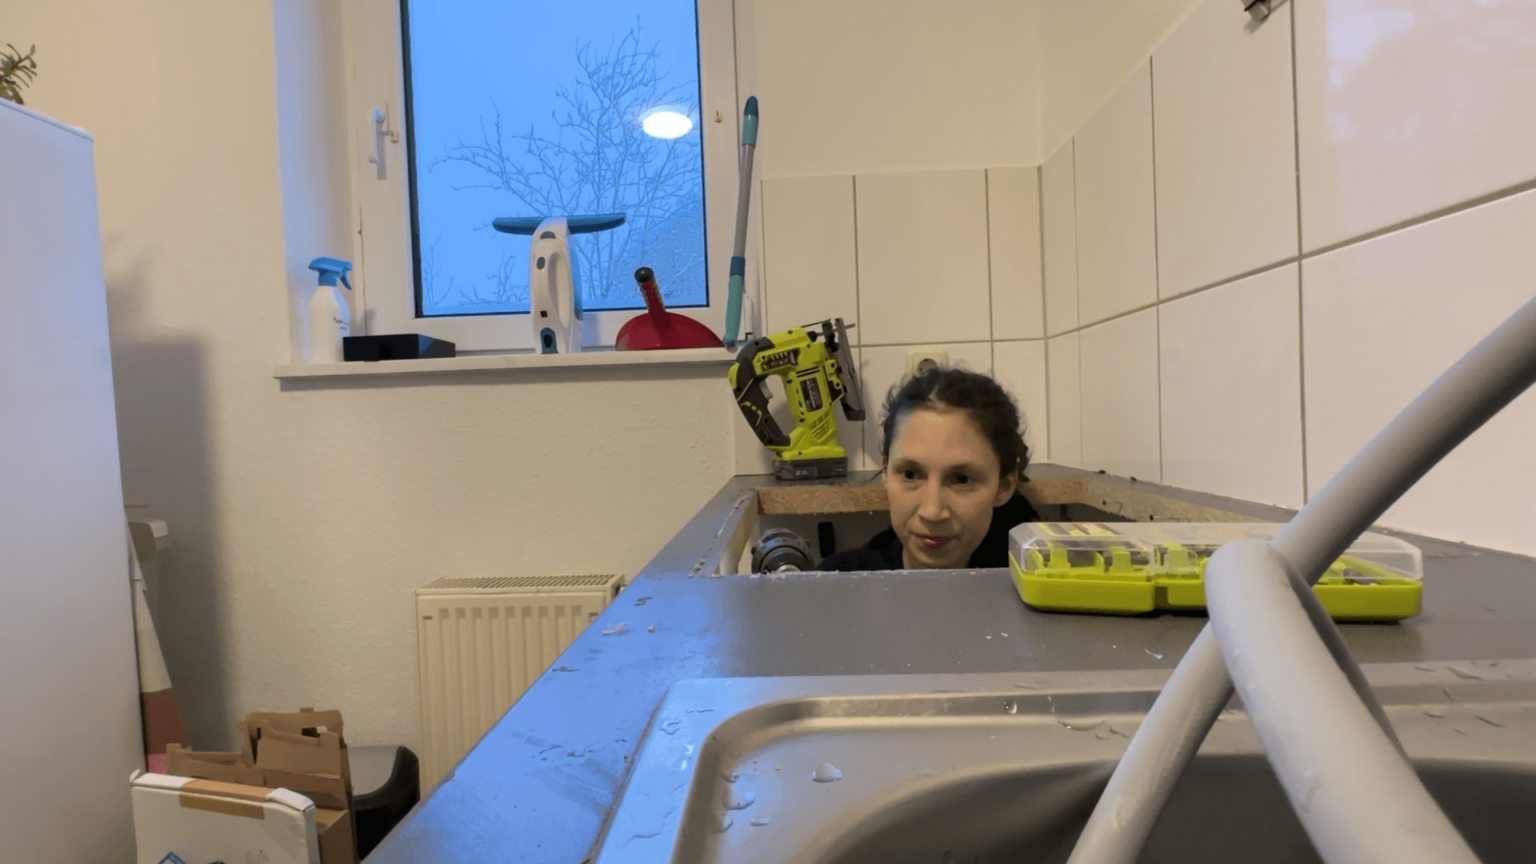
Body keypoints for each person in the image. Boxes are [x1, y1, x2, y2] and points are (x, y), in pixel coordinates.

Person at [818, 366, 1040, 571]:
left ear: (1003, 487)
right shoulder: (835, 584)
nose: (932, 513)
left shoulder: (1034, 587)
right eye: (910, 474)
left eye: (962, 479)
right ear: (886, 471)